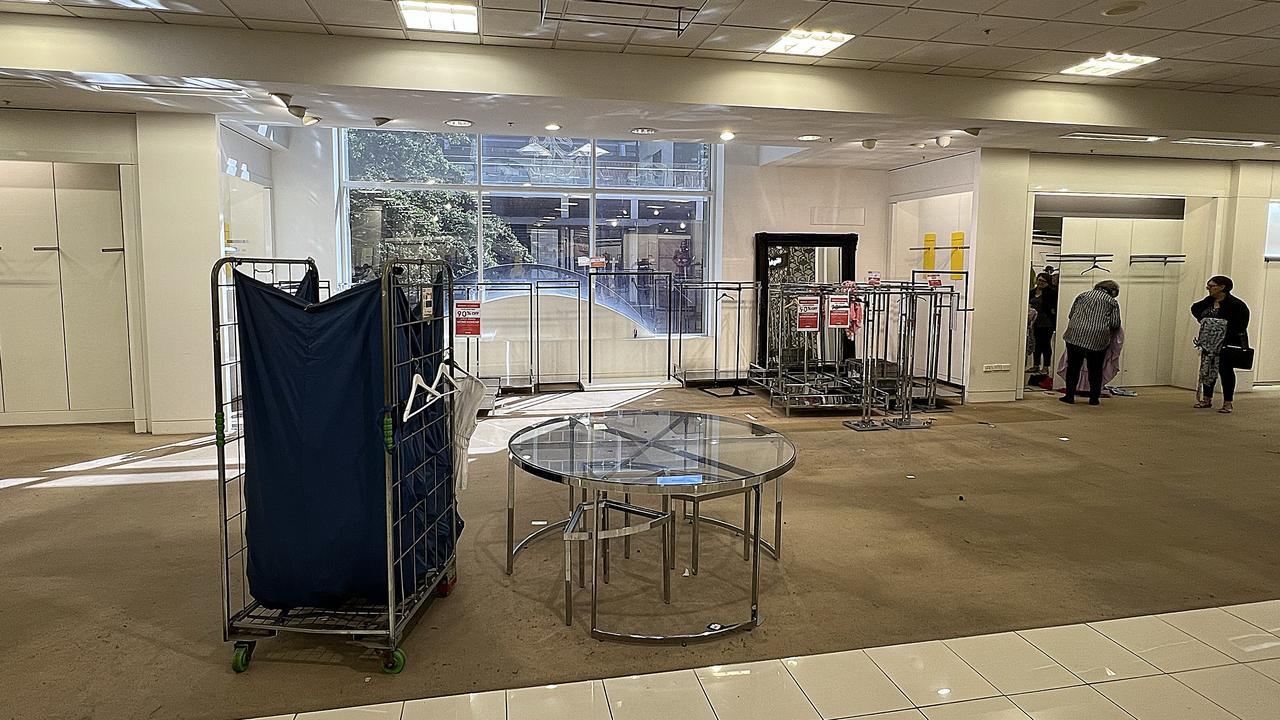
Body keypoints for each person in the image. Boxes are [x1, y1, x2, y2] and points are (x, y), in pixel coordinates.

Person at [1191, 275, 1250, 413]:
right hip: (1209, 343)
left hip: (1227, 343)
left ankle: (1227, 402)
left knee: (1226, 371)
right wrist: (1205, 322)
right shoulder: (1208, 301)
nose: (1208, 288)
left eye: (1211, 286)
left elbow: (1240, 325)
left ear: (1222, 287)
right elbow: (1195, 308)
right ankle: (1207, 399)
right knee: (1207, 369)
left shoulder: (1237, 305)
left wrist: (1220, 332)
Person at [1060, 279, 1121, 406]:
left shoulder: (1082, 295)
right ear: (1113, 291)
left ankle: (1069, 396)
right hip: (1097, 339)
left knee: (1073, 367)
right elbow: (1115, 323)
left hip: (1075, 335)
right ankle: (1094, 398)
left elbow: (1071, 315)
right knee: (1095, 369)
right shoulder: (1112, 302)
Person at [1028, 273, 1057, 374]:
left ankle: (1046, 366)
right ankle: (1036, 365)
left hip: (1047, 322)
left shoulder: (1051, 292)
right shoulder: (1032, 292)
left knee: (1045, 344)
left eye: (1043, 281)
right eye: (1039, 280)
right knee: (1036, 344)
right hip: (1034, 322)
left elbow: (1053, 307)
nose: (1040, 282)